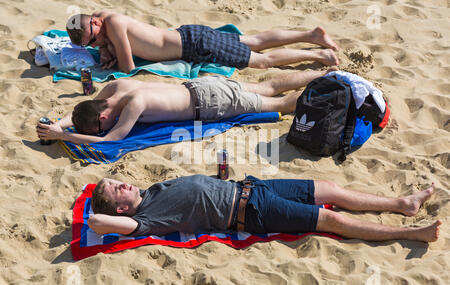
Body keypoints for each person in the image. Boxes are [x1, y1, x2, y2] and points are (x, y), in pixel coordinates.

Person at [87, 174, 441, 243]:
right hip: (252, 212)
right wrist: (95, 217)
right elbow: (100, 224)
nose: (122, 183)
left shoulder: (152, 190)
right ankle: (411, 233)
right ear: (120, 208)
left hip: (254, 186)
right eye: (114, 188)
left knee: (330, 188)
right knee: (331, 220)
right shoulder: (147, 219)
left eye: (116, 180)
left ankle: (402, 204)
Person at [36, 68, 337, 144]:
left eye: (100, 126)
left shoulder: (133, 105)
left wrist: (65, 136)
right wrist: (61, 123)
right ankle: (324, 74)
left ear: (103, 116)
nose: (105, 128)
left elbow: (112, 141)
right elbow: (86, 110)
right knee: (268, 86)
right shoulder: (116, 88)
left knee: (282, 104)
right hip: (203, 85)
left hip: (210, 103)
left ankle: (332, 89)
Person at [65, 11, 339, 73]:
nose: (96, 43)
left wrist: (106, 56)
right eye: (90, 44)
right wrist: (103, 46)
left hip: (196, 45)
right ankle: (312, 35)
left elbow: (126, 67)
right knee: (253, 41)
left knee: (261, 61)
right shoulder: (102, 21)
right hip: (190, 36)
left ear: (97, 23)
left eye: (95, 38)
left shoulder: (112, 24)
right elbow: (108, 41)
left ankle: (319, 56)